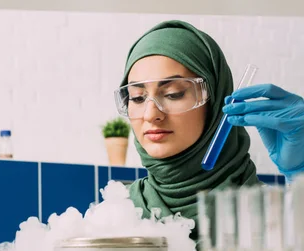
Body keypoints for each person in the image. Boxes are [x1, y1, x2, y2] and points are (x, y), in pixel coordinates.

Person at [114, 20, 304, 239]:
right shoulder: (113, 216)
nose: (150, 114)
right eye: (137, 97)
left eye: (173, 93)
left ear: (213, 103)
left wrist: (300, 173)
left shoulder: (272, 219)